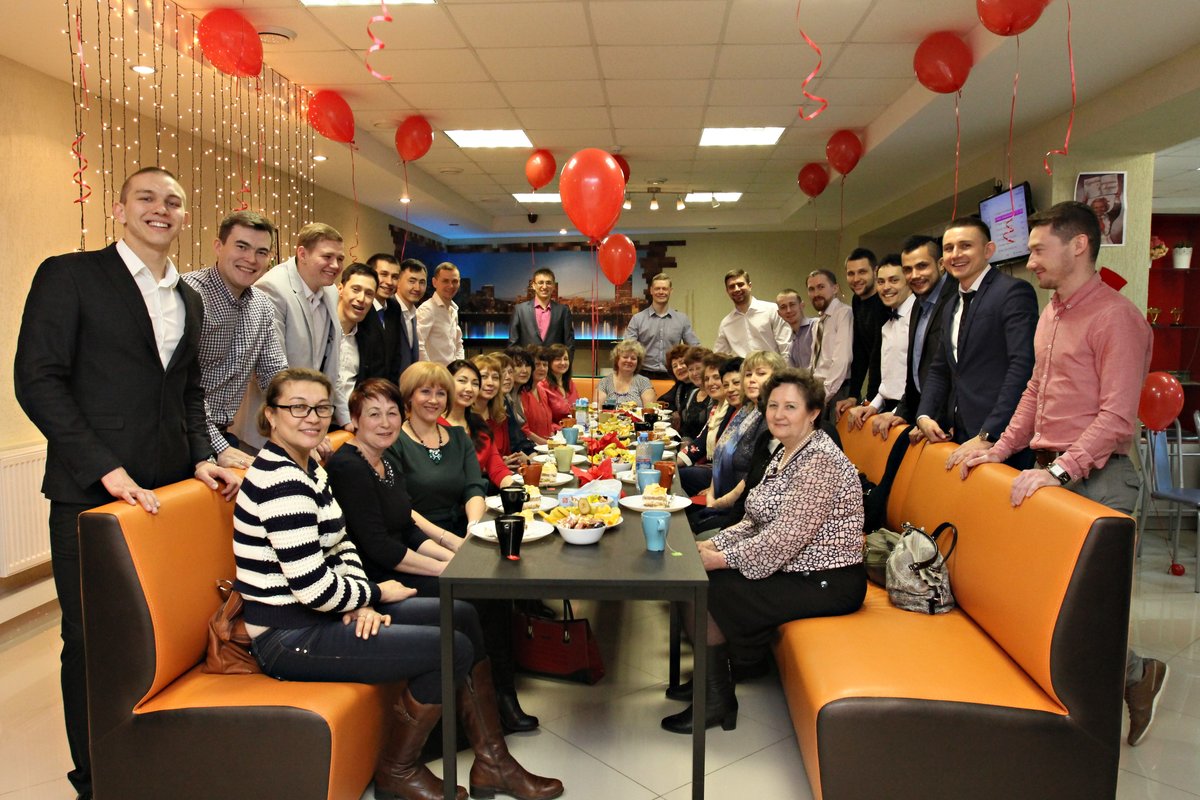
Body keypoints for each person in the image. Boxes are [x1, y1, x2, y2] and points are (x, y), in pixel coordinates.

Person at [14, 166, 240, 800]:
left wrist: (200, 457)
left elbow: (187, 391)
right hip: (90, 494)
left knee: (159, 634)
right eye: (146, 197)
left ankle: (151, 763)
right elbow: (38, 380)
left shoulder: (189, 297)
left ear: (185, 217)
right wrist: (104, 467)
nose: (160, 209)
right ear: (119, 209)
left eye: (173, 201)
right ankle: (95, 779)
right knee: (92, 641)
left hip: (165, 497)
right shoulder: (70, 275)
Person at [235, 368, 561, 800]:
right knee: (450, 648)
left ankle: (492, 763)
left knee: (462, 614)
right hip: (289, 635)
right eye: (297, 407)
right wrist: (373, 593)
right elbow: (312, 587)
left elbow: (342, 545)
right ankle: (398, 770)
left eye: (320, 407)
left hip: (324, 612)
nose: (312, 417)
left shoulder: (309, 468)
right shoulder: (281, 482)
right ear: (270, 416)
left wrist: (359, 599)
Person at [958, 201, 1165, 747]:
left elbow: (1116, 417)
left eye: (1038, 250)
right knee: (1050, 603)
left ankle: (1132, 681)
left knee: (1089, 611)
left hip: (1099, 479)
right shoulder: (1052, 314)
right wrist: (1000, 448)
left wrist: (1060, 471)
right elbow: (1035, 391)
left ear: (1078, 246)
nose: (1029, 262)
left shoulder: (1116, 318)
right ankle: (1128, 679)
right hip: (1052, 472)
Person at [662, 369, 866, 734]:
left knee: (704, 587)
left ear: (813, 412)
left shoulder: (819, 460)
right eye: (773, 405)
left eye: (790, 406)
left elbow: (783, 539)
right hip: (794, 567)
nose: (779, 414)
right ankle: (711, 680)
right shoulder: (786, 451)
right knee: (693, 575)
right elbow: (755, 520)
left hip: (827, 580)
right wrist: (711, 544)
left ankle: (716, 699)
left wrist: (719, 560)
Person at [392, 362, 539, 732]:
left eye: (440, 392)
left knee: (502, 585)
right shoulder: (394, 441)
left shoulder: (457, 437)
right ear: (408, 397)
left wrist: (473, 527)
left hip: (462, 530)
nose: (434, 399)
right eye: (425, 391)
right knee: (482, 598)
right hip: (417, 541)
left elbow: (475, 487)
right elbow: (401, 508)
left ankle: (502, 697)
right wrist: (450, 541)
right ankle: (487, 709)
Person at [915, 216, 1038, 470]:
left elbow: (1022, 367)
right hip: (960, 434)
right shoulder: (951, 304)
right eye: (949, 248)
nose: (956, 254)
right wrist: (924, 415)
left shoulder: (1013, 292)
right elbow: (940, 368)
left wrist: (989, 434)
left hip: (1001, 438)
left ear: (988, 250)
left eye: (965, 246)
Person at [326, 379, 459, 599]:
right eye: (374, 414)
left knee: (474, 580)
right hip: (373, 580)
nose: (385, 423)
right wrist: (442, 569)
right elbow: (379, 547)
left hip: (398, 564)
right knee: (468, 591)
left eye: (392, 413)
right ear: (355, 420)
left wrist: (450, 558)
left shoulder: (385, 460)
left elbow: (407, 528)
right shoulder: (348, 468)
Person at [182, 210, 286, 468]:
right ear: (218, 246)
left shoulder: (262, 305)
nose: (251, 259)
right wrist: (220, 447)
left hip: (222, 434)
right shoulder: (188, 294)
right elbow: (179, 387)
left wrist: (303, 420)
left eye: (261, 252)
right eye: (242, 246)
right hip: (179, 435)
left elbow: (275, 374)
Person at [242, 222, 348, 447]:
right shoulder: (271, 288)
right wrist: (305, 423)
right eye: (327, 256)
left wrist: (346, 420)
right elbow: (273, 372)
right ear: (302, 253)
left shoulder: (330, 290)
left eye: (340, 259)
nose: (335, 265)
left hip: (307, 421)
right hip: (269, 428)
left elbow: (331, 366)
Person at [688, 351, 787, 536]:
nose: (751, 380)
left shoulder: (774, 420)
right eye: (748, 375)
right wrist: (711, 494)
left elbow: (755, 476)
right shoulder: (745, 411)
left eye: (760, 373)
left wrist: (719, 502)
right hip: (727, 499)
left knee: (693, 529)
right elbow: (720, 452)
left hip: (746, 507)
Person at [871, 235, 956, 439]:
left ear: (941, 265)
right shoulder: (919, 305)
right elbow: (915, 373)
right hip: (921, 414)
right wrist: (904, 412)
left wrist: (937, 419)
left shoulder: (954, 300)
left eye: (922, 266)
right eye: (908, 269)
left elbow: (951, 372)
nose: (915, 275)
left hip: (946, 421)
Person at [844, 260, 915, 430]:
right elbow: (890, 379)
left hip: (911, 413)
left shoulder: (920, 318)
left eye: (894, 280)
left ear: (908, 282)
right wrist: (873, 405)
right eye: (881, 282)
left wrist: (898, 412)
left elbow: (923, 379)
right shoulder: (888, 322)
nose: (886, 287)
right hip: (891, 408)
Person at [446, 359, 516, 491]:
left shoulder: (478, 423)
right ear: (446, 384)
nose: (469, 389)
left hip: (477, 495)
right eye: (462, 381)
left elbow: (497, 468)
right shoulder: (435, 424)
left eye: (475, 383)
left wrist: (517, 490)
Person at [623, 273, 700, 379]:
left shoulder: (682, 319)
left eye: (664, 289)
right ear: (651, 291)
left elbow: (695, 348)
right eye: (657, 288)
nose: (661, 292)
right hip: (643, 376)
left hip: (673, 376)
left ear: (670, 291)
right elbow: (627, 349)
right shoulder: (637, 319)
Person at [837, 248, 886, 416]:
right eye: (851, 273)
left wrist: (871, 400)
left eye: (862, 272)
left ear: (875, 271)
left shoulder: (885, 301)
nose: (856, 279)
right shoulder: (857, 300)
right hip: (877, 396)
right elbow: (860, 351)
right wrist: (853, 395)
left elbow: (878, 354)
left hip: (892, 391)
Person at [356, 253, 417, 383]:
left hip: (387, 387)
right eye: (383, 274)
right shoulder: (360, 307)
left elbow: (396, 355)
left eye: (395, 277)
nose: (389, 282)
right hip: (362, 386)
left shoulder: (394, 307)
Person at [712, 269, 792, 357]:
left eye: (740, 284)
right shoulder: (726, 324)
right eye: (732, 287)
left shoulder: (772, 310)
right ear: (727, 291)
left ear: (750, 286)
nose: (736, 289)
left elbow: (786, 347)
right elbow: (719, 357)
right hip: (743, 366)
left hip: (772, 365)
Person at [806, 269, 854, 412]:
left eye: (821, 287)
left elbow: (842, 360)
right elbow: (815, 361)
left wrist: (824, 395)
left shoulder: (844, 313)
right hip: (817, 389)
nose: (816, 293)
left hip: (836, 390)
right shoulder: (819, 322)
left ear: (835, 288)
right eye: (811, 289)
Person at [335, 262, 378, 409]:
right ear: (340, 289)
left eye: (369, 294)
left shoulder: (367, 339)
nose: (361, 298)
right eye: (356, 289)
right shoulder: (321, 331)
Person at [508, 268, 574, 358]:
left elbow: (569, 345)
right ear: (533, 285)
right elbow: (512, 345)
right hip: (528, 364)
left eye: (548, 283)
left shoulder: (563, 311)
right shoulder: (520, 310)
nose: (544, 286)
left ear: (553, 286)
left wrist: (566, 365)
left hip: (554, 364)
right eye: (540, 282)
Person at [417, 261, 465, 365]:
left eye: (455, 281)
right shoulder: (427, 309)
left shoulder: (453, 310)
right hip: (435, 373)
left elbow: (458, 344)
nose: (451, 286)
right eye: (445, 281)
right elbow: (419, 345)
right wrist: (430, 371)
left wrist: (459, 368)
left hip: (452, 372)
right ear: (434, 282)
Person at [596, 340, 657, 407]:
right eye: (625, 357)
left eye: (633, 358)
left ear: (638, 362)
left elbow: (649, 410)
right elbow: (598, 409)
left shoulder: (644, 382)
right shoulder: (604, 383)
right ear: (617, 360)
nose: (629, 360)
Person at [518, 348, 558, 444]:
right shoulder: (521, 392)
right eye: (537, 364)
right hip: (531, 447)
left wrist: (554, 439)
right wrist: (546, 443)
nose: (542, 368)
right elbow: (524, 430)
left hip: (547, 446)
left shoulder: (542, 390)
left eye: (545, 365)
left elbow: (548, 424)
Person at [678, 346, 714, 441]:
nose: (694, 373)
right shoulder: (692, 393)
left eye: (698, 368)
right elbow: (686, 428)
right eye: (690, 369)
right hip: (688, 445)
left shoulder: (714, 396)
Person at [539, 342, 579, 420]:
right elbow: (544, 420)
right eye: (558, 359)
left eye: (566, 359)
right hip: (555, 427)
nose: (563, 363)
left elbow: (578, 408)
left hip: (574, 425)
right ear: (549, 362)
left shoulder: (570, 383)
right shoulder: (542, 386)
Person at [776, 288, 815, 369]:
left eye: (792, 305)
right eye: (783, 307)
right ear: (779, 313)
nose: (788, 310)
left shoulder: (816, 326)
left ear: (802, 306)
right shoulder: (789, 341)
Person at [657, 343, 696, 413]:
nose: (679, 368)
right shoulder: (680, 385)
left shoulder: (699, 386)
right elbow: (663, 400)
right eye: (675, 366)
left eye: (682, 363)